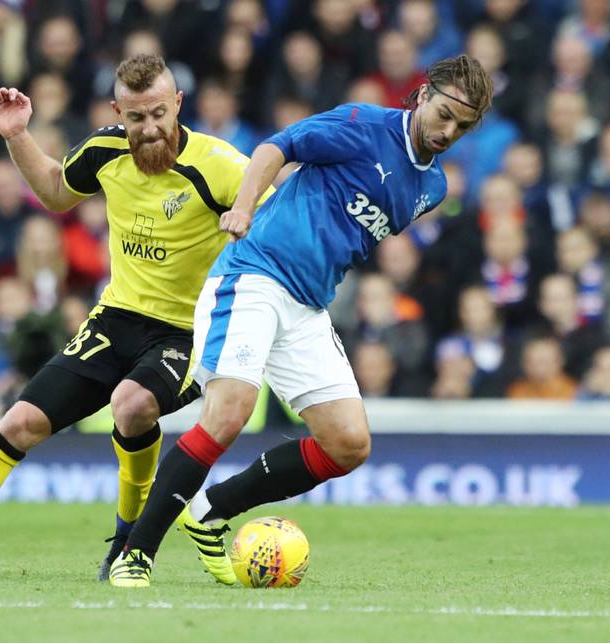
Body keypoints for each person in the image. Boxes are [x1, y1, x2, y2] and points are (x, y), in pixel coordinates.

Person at [0, 54, 271, 580]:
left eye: (158, 114)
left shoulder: (218, 165)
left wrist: (247, 224)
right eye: (136, 118)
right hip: (117, 318)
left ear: (178, 105)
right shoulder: (106, 149)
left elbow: (274, 212)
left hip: (190, 329)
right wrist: (17, 136)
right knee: (20, 421)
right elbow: (59, 192)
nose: (149, 130)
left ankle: (130, 538)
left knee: (131, 406)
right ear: (117, 113)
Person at [109, 54, 493, 587]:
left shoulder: (433, 190)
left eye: (464, 125)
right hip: (255, 274)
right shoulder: (363, 126)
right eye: (446, 113)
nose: (449, 130)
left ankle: (210, 510)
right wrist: (243, 208)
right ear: (424, 94)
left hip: (308, 306)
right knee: (230, 412)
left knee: (349, 444)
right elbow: (277, 147)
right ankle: (136, 553)